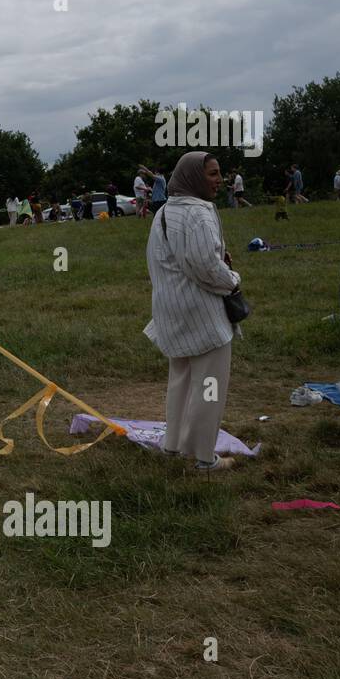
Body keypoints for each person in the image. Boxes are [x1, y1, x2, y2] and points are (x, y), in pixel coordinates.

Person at [143, 151, 240, 472]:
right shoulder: (198, 213)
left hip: (171, 311)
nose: (219, 180)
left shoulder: (163, 213)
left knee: (181, 383)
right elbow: (206, 267)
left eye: (219, 173)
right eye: (212, 174)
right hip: (201, 315)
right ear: (194, 177)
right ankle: (203, 458)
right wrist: (233, 280)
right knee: (208, 388)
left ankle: (174, 447)